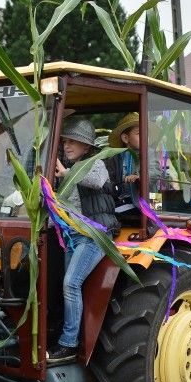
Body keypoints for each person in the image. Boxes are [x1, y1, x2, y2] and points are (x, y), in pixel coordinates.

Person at [47, 118, 118, 364]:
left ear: (86, 146)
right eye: (65, 140)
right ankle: (64, 334)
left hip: (93, 235)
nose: (67, 145)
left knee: (71, 283)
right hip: (72, 236)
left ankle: (68, 343)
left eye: (73, 141)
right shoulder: (66, 168)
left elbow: (96, 182)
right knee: (64, 285)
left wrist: (67, 173)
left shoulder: (95, 164)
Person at [104, 112, 140, 205]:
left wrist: (139, 177)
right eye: (139, 133)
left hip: (147, 203)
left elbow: (154, 173)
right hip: (121, 203)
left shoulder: (149, 154)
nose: (145, 136)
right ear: (125, 138)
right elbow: (109, 180)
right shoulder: (115, 157)